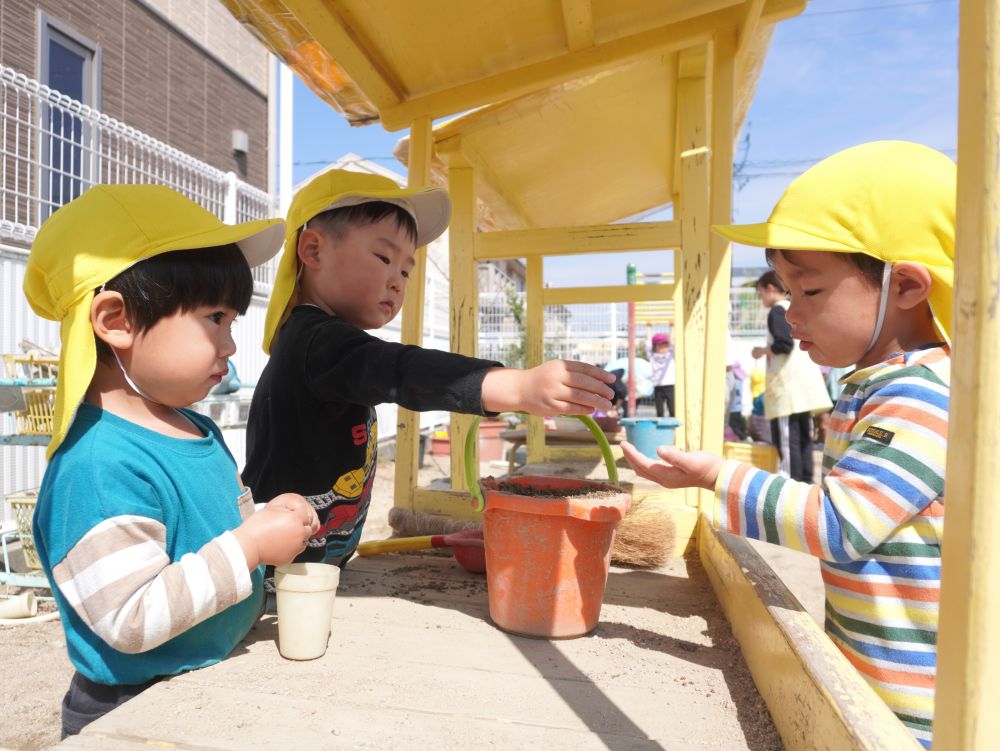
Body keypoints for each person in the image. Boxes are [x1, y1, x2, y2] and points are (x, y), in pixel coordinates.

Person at [621, 141, 953, 749]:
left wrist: (717, 475)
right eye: (788, 292)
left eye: (811, 291)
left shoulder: (920, 397)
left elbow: (838, 525)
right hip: (876, 685)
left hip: (919, 712)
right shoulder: (879, 384)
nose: (792, 314)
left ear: (904, 285)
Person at [23, 185, 320, 738]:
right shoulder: (97, 464)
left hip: (205, 682)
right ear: (116, 320)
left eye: (232, 321)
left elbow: (215, 526)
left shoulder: (196, 428)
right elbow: (129, 617)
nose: (231, 345)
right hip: (132, 710)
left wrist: (264, 517)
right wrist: (252, 545)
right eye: (215, 318)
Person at [243, 169, 614, 571]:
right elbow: (403, 371)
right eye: (384, 258)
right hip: (277, 576)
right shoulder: (314, 340)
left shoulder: (329, 341)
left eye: (405, 270)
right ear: (313, 251)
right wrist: (518, 386)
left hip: (311, 569)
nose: (397, 281)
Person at [752, 269, 831, 481]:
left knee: (787, 442)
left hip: (787, 390)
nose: (761, 298)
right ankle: (806, 483)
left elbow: (783, 345)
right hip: (803, 388)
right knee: (804, 439)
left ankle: (791, 486)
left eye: (760, 293)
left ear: (770, 288)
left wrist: (761, 351)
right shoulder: (793, 309)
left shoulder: (777, 310)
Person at [646, 324, 675, 417]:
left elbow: (671, 341)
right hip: (658, 386)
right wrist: (648, 328)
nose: (663, 349)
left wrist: (672, 327)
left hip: (670, 385)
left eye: (665, 347)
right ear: (656, 347)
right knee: (659, 411)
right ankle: (661, 430)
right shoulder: (652, 356)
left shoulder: (670, 354)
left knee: (672, 408)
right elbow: (649, 342)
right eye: (660, 347)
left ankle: (673, 428)